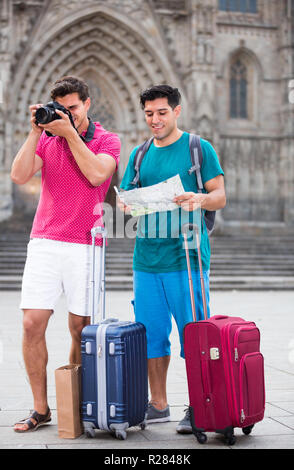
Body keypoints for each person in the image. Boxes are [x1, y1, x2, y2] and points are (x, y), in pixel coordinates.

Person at [11, 76, 120, 432]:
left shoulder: (107, 140)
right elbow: (19, 174)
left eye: (73, 108)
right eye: (62, 109)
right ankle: (41, 409)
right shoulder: (47, 138)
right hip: (44, 240)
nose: (68, 115)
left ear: (87, 104)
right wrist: (35, 132)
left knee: (80, 329)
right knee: (31, 324)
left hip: (86, 243)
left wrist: (70, 133)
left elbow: (96, 176)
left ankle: (76, 402)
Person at [118, 85, 225, 433]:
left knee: (195, 335)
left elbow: (220, 195)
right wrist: (124, 204)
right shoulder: (139, 154)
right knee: (151, 335)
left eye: (162, 112)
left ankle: (200, 405)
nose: (155, 120)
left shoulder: (198, 148)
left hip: (187, 258)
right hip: (146, 259)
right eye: (149, 114)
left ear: (177, 111)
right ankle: (159, 405)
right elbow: (126, 197)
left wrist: (199, 198)